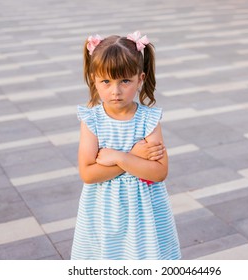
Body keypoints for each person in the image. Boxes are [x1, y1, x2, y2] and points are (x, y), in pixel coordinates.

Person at [70, 31, 181, 260]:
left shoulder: (148, 120)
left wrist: (119, 157)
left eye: (125, 81)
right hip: (104, 213)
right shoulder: (92, 121)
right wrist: (134, 156)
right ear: (93, 78)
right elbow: (89, 174)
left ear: (140, 79)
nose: (115, 91)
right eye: (106, 81)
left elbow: (159, 172)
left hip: (145, 214)